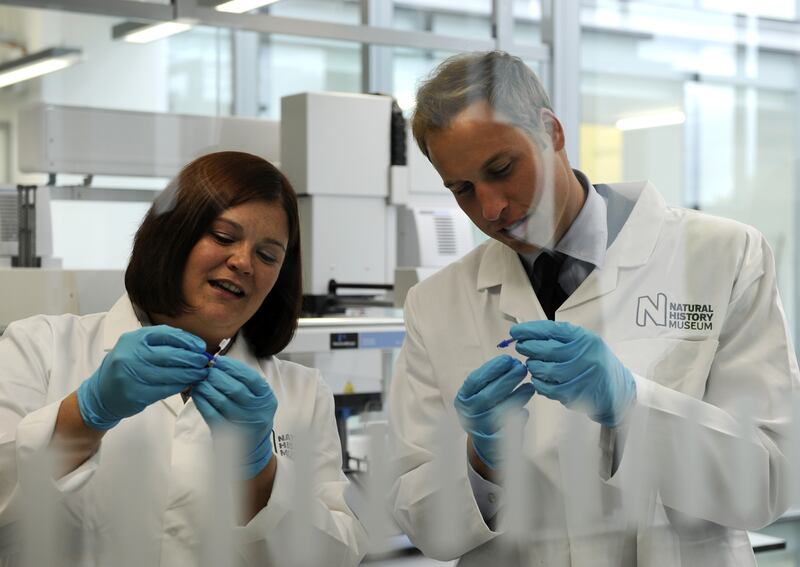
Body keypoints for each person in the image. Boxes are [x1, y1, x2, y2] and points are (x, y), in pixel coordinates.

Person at [388, 51, 800, 566]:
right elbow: (428, 528)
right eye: (463, 190)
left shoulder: (722, 255)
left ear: (552, 131)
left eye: (502, 168)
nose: (491, 209)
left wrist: (633, 406)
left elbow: (765, 485)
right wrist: (481, 463)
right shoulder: (436, 304)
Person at [0, 151, 367, 566]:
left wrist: (258, 471)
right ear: (171, 236)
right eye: (224, 237)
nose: (243, 262)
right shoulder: (40, 347)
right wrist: (84, 415)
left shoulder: (301, 393)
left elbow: (334, 556)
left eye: (268, 256)